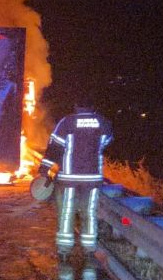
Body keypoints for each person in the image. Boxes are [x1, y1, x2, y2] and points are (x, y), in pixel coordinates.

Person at [38, 102, 113, 258]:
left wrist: (45, 169)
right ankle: (89, 249)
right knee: (89, 213)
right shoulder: (103, 122)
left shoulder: (67, 122)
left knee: (66, 213)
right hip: (92, 179)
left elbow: (55, 147)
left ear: (76, 106)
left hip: (69, 179)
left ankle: (64, 251)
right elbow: (106, 142)